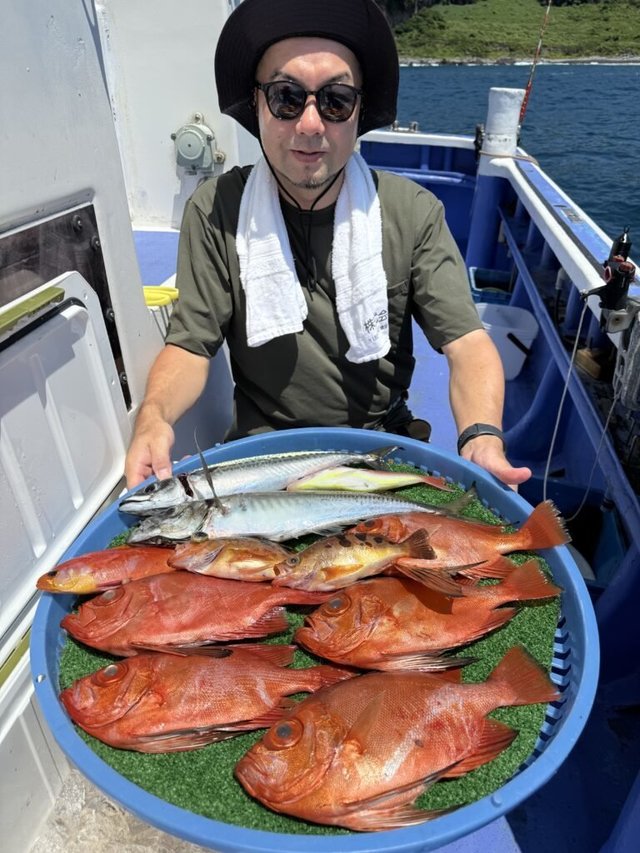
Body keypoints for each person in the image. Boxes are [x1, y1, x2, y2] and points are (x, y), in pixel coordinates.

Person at [125, 0, 531, 490]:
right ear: (256, 105)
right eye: (286, 97)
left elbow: (467, 342)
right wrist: (153, 417)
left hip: (378, 447)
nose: (312, 124)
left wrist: (482, 437)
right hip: (261, 450)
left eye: (335, 100)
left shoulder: (412, 212)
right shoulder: (215, 209)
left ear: (358, 113)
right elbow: (190, 343)